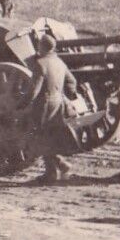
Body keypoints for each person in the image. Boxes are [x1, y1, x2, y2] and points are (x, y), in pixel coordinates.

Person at [24, 34, 78, 183]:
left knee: (39, 136)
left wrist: (23, 103)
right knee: (50, 136)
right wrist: (70, 94)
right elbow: (71, 80)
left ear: (42, 46)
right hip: (58, 103)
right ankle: (60, 165)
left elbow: (34, 90)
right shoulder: (59, 62)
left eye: (39, 45)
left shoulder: (41, 64)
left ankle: (53, 172)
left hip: (44, 105)